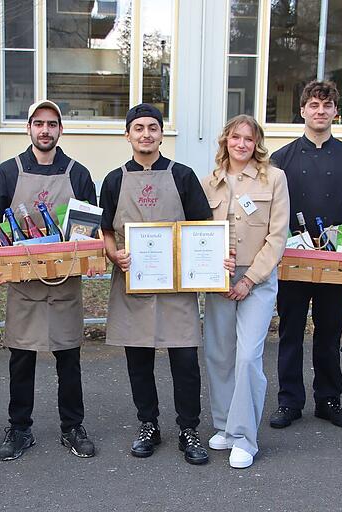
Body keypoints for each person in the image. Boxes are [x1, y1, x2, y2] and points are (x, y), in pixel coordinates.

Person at [0, 100, 97, 460]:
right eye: (38, 123)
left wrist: (93, 255)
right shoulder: (8, 172)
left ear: (61, 130)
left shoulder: (77, 173)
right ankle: (19, 428)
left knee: (68, 357)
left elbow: (92, 224)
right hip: (24, 284)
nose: (45, 130)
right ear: (28, 128)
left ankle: (72, 427)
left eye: (52, 124)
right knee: (21, 358)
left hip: (64, 281)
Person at [100, 103, 213, 465]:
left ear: (162, 134)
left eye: (152, 127)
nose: (146, 134)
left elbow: (203, 228)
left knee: (185, 361)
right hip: (132, 283)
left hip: (177, 288)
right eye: (138, 128)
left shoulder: (182, 176)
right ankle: (148, 424)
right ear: (128, 134)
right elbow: (105, 231)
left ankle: (189, 429)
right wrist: (114, 254)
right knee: (139, 361)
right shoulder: (114, 179)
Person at [268, 80, 342, 430]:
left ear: (335, 112)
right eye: (314, 105)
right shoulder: (281, 159)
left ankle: (329, 399)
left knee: (329, 331)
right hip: (294, 256)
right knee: (290, 331)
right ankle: (289, 401)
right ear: (302, 110)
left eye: (327, 106)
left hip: (336, 258)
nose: (320, 111)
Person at [202, 115, 289, 468]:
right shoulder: (209, 182)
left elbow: (277, 236)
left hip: (257, 280)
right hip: (219, 281)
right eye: (235, 137)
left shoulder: (275, 178)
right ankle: (224, 425)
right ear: (225, 140)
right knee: (219, 355)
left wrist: (249, 279)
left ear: (257, 143)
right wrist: (213, 274)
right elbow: (200, 235)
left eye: (248, 139)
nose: (241, 144)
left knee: (248, 357)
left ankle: (245, 437)